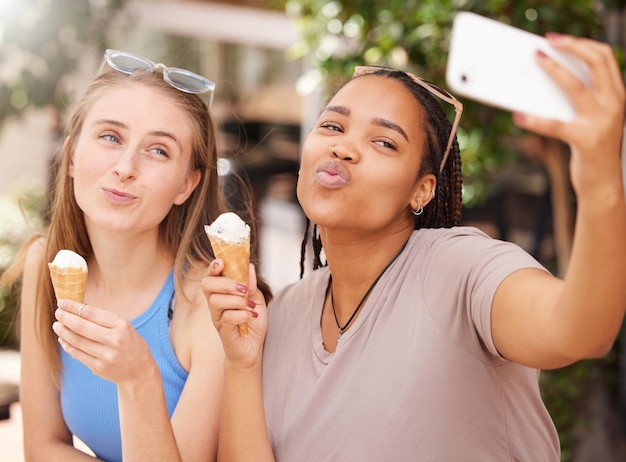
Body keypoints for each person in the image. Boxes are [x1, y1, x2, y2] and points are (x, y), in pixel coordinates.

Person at [204, 33, 626, 461]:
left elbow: (579, 329)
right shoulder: (284, 314)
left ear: (421, 191)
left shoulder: (458, 269)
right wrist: (242, 364)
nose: (343, 147)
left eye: (384, 142)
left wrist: (601, 179)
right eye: (332, 125)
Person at [1, 49, 266, 461]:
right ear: (72, 156)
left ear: (187, 185)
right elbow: (42, 448)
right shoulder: (46, 262)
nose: (126, 167)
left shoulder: (209, 307)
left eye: (158, 150)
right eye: (110, 137)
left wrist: (139, 377)